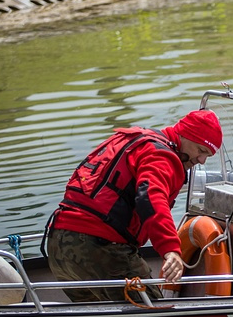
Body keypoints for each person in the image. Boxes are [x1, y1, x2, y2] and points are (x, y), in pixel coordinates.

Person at [46, 110, 223, 302]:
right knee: (154, 313)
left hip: (59, 246)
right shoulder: (161, 156)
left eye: (208, 155)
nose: (201, 160)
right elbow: (151, 197)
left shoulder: (133, 140)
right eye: (200, 150)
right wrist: (170, 249)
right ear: (185, 135)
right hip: (99, 248)